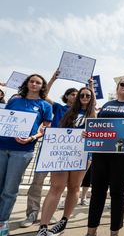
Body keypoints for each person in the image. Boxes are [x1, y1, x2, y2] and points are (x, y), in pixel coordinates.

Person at [84, 79, 124, 236]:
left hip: (122, 154)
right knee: (97, 192)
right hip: (101, 153)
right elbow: (97, 124)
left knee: (118, 193)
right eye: (122, 84)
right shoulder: (107, 105)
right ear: (117, 88)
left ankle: (114, 233)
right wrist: (87, 132)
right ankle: (91, 232)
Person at [21, 70, 80, 228]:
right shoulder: (59, 108)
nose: (75, 96)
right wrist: (54, 78)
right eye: (72, 94)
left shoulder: (81, 113)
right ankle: (32, 212)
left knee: (58, 186)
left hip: (67, 154)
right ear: (66, 96)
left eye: (78, 94)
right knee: (38, 182)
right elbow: (44, 94)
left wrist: (91, 86)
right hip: (49, 150)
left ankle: (48, 212)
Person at [36, 87, 96, 236]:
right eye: (81, 95)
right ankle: (43, 226)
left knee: (74, 187)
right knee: (56, 187)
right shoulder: (65, 111)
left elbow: (97, 137)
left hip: (82, 154)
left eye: (88, 95)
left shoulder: (94, 115)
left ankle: (63, 222)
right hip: (61, 153)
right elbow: (55, 128)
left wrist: (89, 134)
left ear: (92, 97)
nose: (84, 97)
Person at [0, 74, 52, 233]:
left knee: (9, 189)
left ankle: (3, 222)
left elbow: (46, 129)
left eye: (38, 82)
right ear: (27, 83)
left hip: (23, 151)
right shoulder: (14, 100)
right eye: (32, 81)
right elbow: (5, 119)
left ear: (42, 86)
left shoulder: (45, 105)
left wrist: (32, 137)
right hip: (2, 146)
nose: (34, 84)